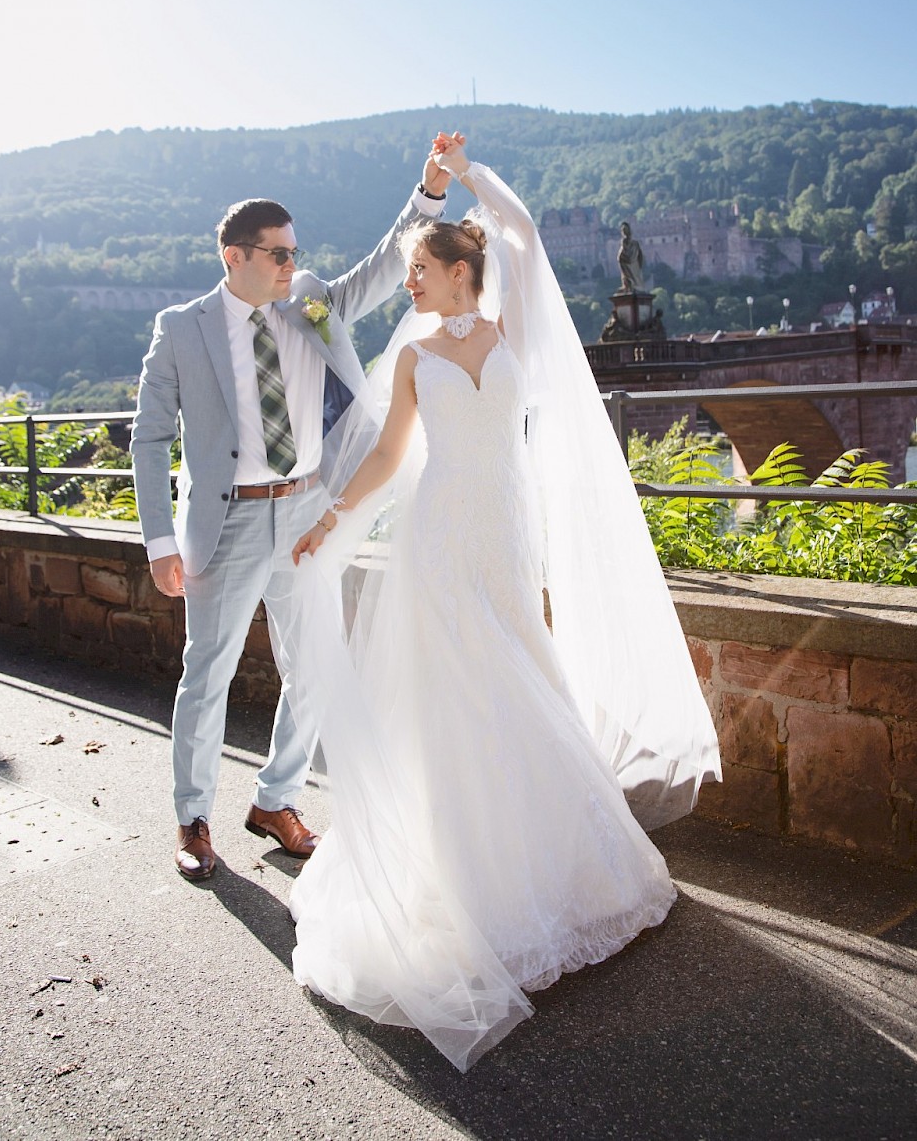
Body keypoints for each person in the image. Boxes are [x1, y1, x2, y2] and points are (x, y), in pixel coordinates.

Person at [274, 133, 720, 1071]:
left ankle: (563, 877)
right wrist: (331, 521)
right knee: (463, 696)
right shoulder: (412, 357)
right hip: (442, 537)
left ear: (460, 269)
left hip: (506, 536)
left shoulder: (514, 329)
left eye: (420, 271)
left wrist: (465, 173)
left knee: (523, 675)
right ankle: (476, 889)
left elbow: (519, 228)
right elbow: (393, 457)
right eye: (409, 274)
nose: (410, 286)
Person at [130, 150, 455, 881]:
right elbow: (149, 437)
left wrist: (429, 194)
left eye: (294, 253)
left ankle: (275, 801)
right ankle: (193, 820)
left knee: (314, 667)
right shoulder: (182, 328)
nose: (290, 264)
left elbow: (376, 272)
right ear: (233, 256)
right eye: (277, 254)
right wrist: (158, 539)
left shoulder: (308, 300)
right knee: (207, 675)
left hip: (306, 512)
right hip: (228, 524)